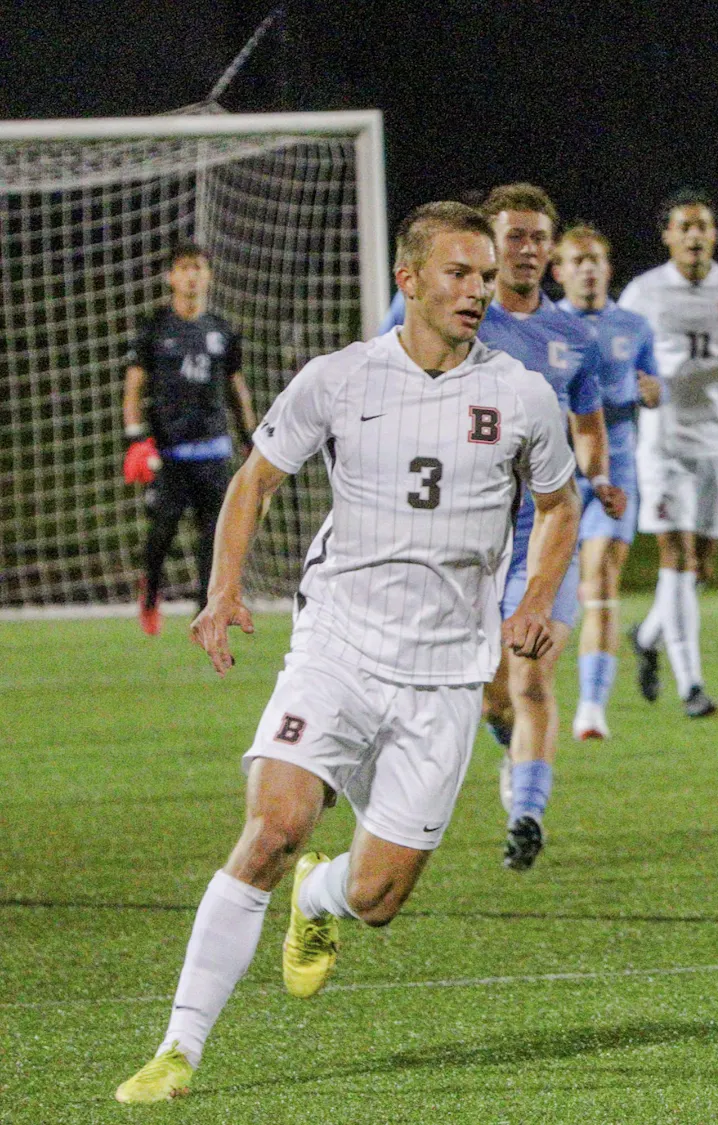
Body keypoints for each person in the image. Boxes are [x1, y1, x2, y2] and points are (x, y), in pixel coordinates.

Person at [112, 202, 580, 1104]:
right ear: (408, 279)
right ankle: (178, 1046)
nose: (479, 290)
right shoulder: (338, 378)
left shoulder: (520, 394)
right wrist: (222, 589)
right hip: (338, 645)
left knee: (378, 898)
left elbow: (559, 506)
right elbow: (255, 479)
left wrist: (532, 601)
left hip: (446, 672)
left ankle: (320, 898)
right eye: (459, 272)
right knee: (274, 828)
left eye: (486, 276)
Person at [381, 183, 623, 870]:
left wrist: (597, 475)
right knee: (492, 694)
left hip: (542, 535)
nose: (525, 248)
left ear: (550, 252)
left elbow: (588, 426)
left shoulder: (574, 337)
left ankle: (527, 815)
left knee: (533, 674)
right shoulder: (452, 314)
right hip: (464, 535)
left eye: (537, 237)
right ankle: (514, 755)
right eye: (512, 235)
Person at [620, 189, 718, 717]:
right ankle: (692, 687)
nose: (693, 235)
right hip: (662, 444)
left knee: (701, 569)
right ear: (667, 235)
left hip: (717, 442)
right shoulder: (642, 293)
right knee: (677, 559)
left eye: (702, 226)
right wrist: (636, 384)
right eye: (684, 226)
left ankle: (647, 634)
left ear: (714, 235)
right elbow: (616, 356)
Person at [553, 223, 661, 740]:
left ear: (609, 268)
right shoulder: (546, 326)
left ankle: (591, 708)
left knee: (599, 580)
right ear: (560, 272)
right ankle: (525, 695)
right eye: (577, 261)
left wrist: (651, 390)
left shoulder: (635, 326)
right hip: (554, 475)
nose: (588, 269)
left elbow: (654, 384)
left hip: (615, 474)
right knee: (549, 587)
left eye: (596, 259)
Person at [122, 243, 256, 633]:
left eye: (198, 267)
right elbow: (133, 387)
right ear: (171, 277)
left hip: (214, 448)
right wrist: (136, 439)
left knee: (212, 537)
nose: (192, 275)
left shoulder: (222, 331)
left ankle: (205, 610)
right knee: (161, 531)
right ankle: (150, 594)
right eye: (184, 268)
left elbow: (237, 386)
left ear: (208, 275)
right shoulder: (154, 329)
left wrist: (250, 435)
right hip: (169, 452)